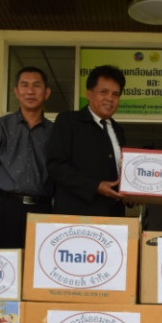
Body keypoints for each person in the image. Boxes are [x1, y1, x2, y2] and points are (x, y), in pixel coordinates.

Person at [0, 66, 53, 249]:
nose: (30, 91)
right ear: (16, 92)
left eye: (36, 85)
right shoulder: (0, 127)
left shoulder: (54, 132)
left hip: (43, 210)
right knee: (4, 264)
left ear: (46, 93)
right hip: (5, 208)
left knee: (39, 263)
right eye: (24, 85)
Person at [47, 65, 127, 217]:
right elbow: (56, 166)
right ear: (89, 94)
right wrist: (95, 186)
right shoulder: (68, 122)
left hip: (113, 218)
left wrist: (131, 193)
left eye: (115, 94)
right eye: (104, 92)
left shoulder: (118, 130)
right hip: (77, 217)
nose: (110, 98)